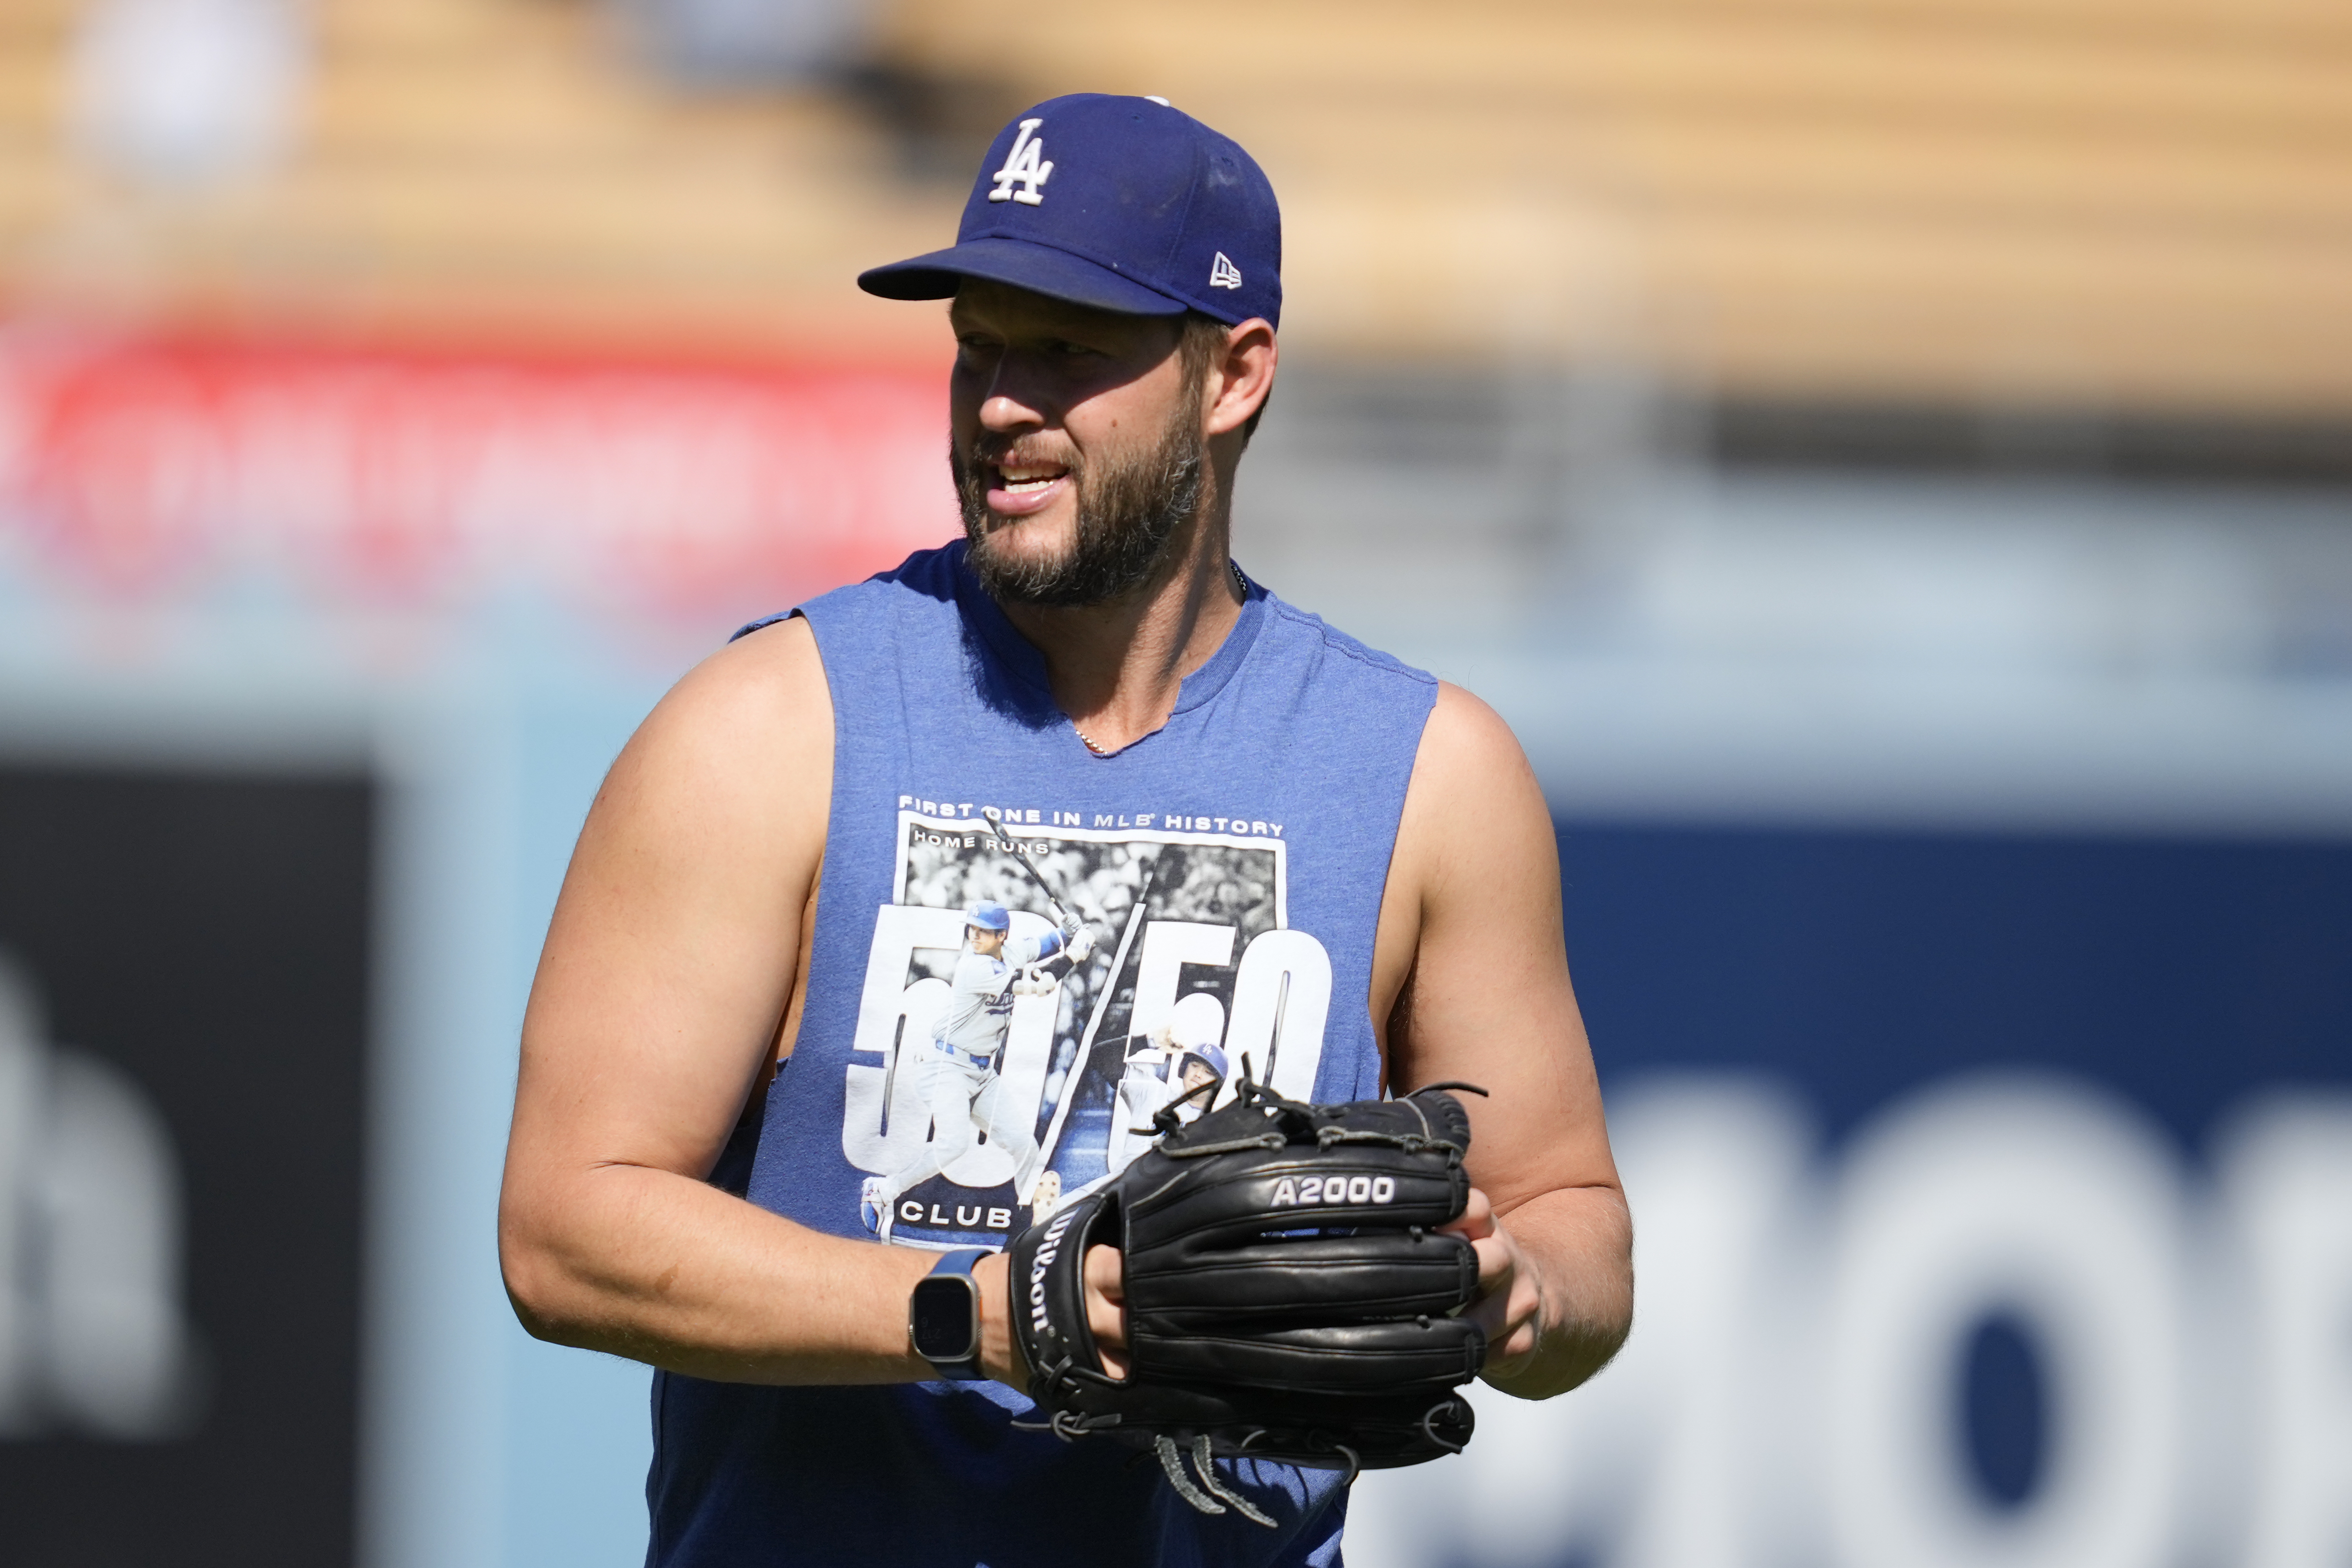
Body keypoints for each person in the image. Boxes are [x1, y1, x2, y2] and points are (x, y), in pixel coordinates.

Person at [499, 92, 1632, 1567]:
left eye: (1070, 347)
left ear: (1232, 375)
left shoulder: (1428, 772)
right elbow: (566, 1225)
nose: (999, 402)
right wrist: (989, 1310)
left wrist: (1507, 1291)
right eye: (978, 342)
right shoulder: (770, 727)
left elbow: (1578, 1223)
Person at [860, 900, 1092, 1241]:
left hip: (983, 1073)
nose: (975, 935)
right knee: (953, 1144)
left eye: (983, 930)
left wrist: (1068, 931)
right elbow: (1041, 985)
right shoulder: (975, 967)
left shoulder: (1011, 951)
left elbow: (1046, 943)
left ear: (1002, 935)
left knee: (1024, 1146)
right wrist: (1075, 955)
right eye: (973, 927)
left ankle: (1032, 1222)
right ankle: (883, 1189)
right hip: (945, 1065)